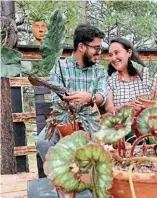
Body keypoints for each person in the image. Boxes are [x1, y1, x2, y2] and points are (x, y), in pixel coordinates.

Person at [36, 24, 108, 162]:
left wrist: (90, 97)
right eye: (97, 48)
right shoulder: (59, 67)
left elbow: (102, 96)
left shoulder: (100, 70)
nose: (100, 52)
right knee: (43, 142)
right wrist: (70, 110)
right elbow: (56, 100)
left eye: (100, 48)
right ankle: (62, 176)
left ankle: (88, 178)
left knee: (97, 143)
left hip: (91, 121)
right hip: (64, 119)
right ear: (81, 47)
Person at [104, 38, 157, 112]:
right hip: (122, 121)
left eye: (117, 53)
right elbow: (109, 108)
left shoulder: (146, 74)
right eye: (110, 55)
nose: (113, 58)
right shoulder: (110, 80)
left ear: (129, 52)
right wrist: (127, 106)